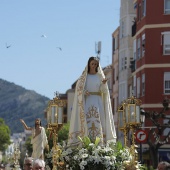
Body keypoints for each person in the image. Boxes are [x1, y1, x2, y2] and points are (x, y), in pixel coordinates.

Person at [68, 56, 117, 146]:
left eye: (95, 64)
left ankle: (100, 143)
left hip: (98, 101)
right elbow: (79, 89)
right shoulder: (84, 78)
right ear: (89, 64)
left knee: (99, 120)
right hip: (88, 101)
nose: (94, 66)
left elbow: (104, 91)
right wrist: (84, 92)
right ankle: (86, 141)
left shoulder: (99, 77)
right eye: (92, 64)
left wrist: (104, 84)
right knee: (87, 120)